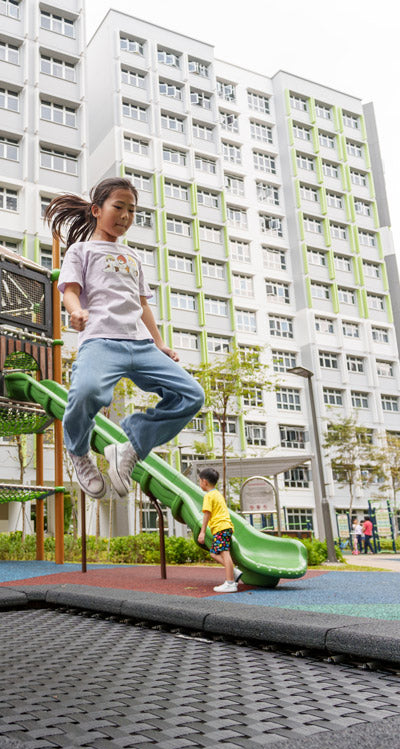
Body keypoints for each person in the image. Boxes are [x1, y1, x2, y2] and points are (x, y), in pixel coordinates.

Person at [46, 177, 204, 499]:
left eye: (131, 210)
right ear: (96, 210)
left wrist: (159, 343)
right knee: (86, 391)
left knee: (192, 395)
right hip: (101, 339)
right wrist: (76, 312)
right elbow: (70, 292)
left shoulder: (132, 257)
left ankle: (130, 448)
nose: (125, 216)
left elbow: (142, 304)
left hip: (140, 344)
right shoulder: (81, 251)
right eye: (118, 207)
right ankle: (78, 451)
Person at [196, 468, 242, 593]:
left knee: (224, 553)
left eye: (199, 481)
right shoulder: (217, 494)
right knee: (214, 553)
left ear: (204, 482)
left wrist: (202, 532)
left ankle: (230, 583)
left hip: (221, 527)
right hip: (224, 527)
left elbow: (206, 514)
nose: (199, 483)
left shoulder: (209, 496)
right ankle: (233, 572)